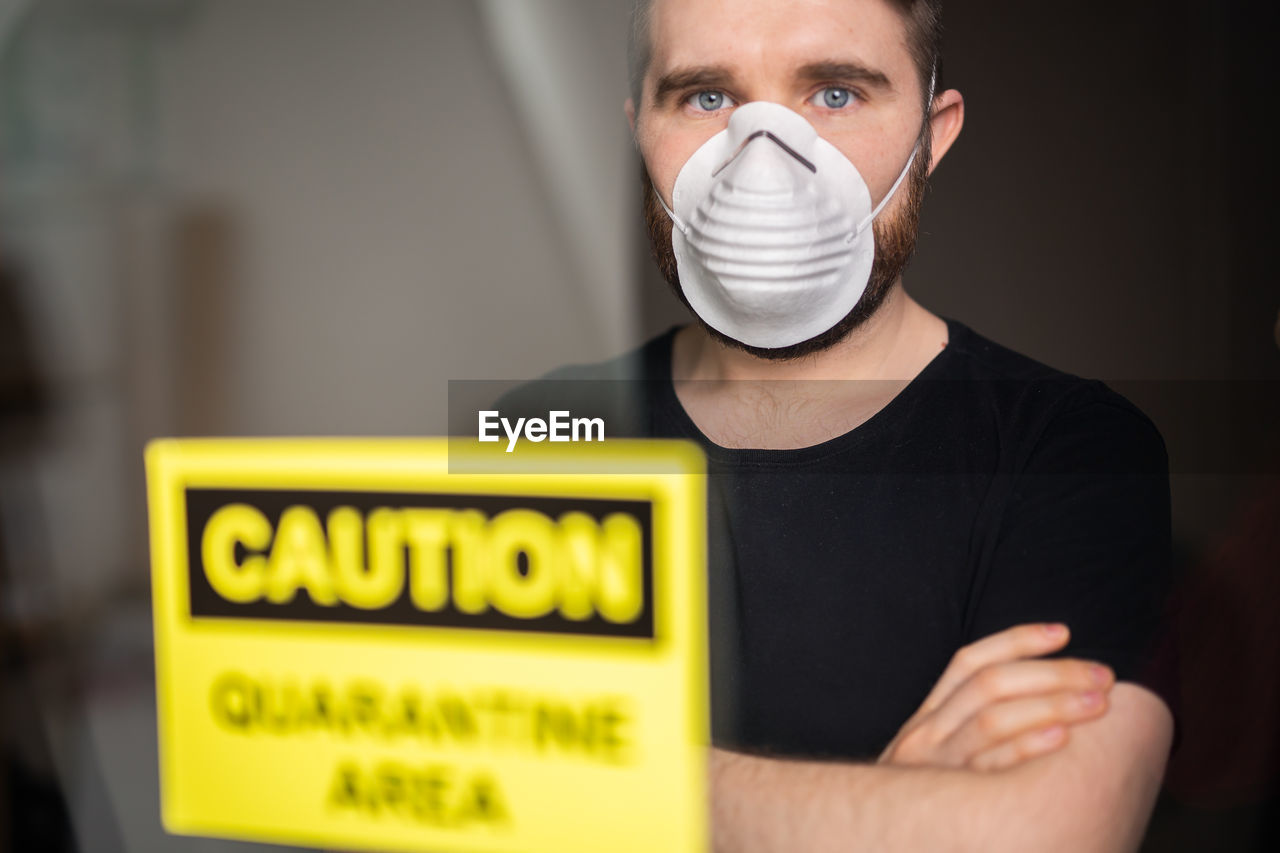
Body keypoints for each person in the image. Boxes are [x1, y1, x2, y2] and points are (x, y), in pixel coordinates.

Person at [499, 0, 1177, 848]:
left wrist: (598, 781)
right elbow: (466, 792)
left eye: (835, 93)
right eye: (707, 97)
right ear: (641, 130)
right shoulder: (538, 431)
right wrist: (880, 808)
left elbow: (1035, 837)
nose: (764, 159)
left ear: (933, 134)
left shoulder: (1070, 452)